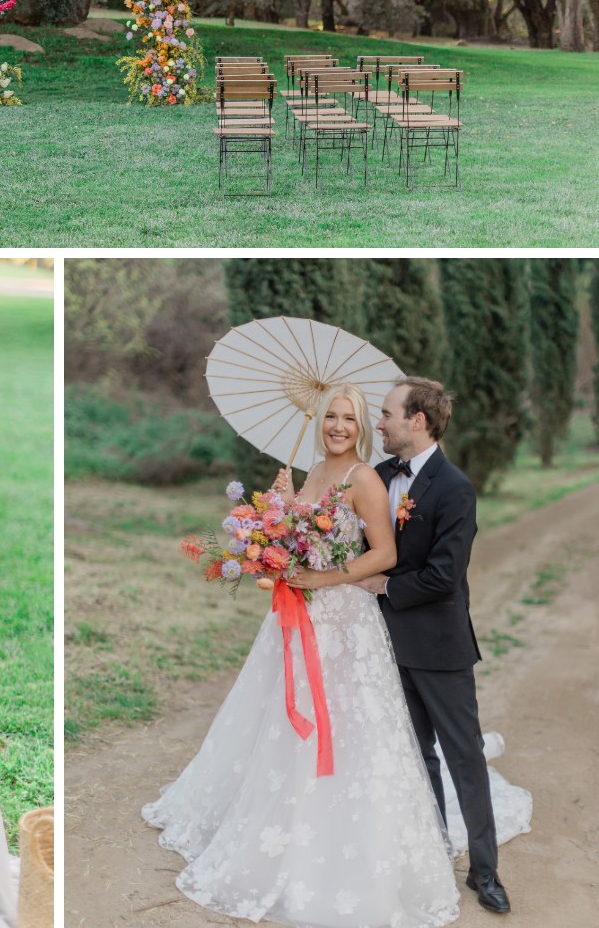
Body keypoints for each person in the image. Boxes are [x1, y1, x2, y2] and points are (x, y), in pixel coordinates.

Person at [144, 383, 461, 927]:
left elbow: (382, 553)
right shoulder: (311, 470)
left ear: (363, 428)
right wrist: (277, 514)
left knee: (342, 724)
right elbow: (299, 538)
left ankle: (340, 837)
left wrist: (323, 576)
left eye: (350, 419)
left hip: (344, 623)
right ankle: (275, 819)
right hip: (297, 615)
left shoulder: (364, 478)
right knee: (282, 720)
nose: (339, 426)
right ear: (321, 422)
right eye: (332, 417)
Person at [353, 377, 510, 916]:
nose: (380, 423)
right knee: (415, 757)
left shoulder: (455, 487)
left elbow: (445, 575)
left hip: (439, 647)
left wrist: (387, 586)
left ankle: (485, 871)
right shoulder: (375, 477)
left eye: (387, 414)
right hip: (382, 646)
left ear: (417, 420)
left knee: (463, 756)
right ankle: (434, 849)